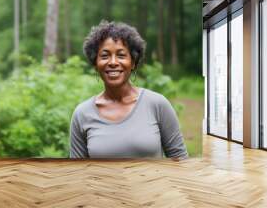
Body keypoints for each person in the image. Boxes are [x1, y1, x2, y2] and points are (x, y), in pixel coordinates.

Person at [70, 20, 188, 160]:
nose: (113, 62)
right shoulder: (82, 114)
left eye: (121, 55)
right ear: (95, 64)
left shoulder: (157, 104)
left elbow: (180, 161)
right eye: (105, 56)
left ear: (133, 62)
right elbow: (78, 173)